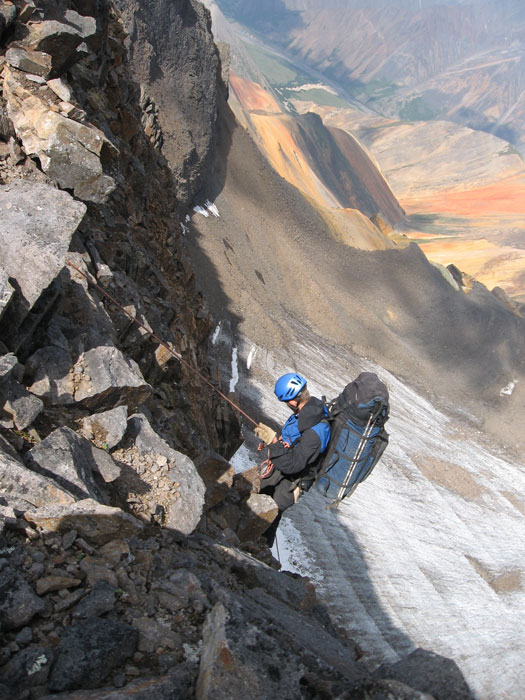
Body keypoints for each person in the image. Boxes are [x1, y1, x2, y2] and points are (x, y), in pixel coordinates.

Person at [258, 373, 330, 546]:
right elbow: (293, 440)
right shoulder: (306, 413)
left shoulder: (315, 431)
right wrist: (274, 444)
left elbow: (294, 465)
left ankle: (258, 555)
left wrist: (274, 443)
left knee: (266, 523)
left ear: (292, 401)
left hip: (288, 484)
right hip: (279, 475)